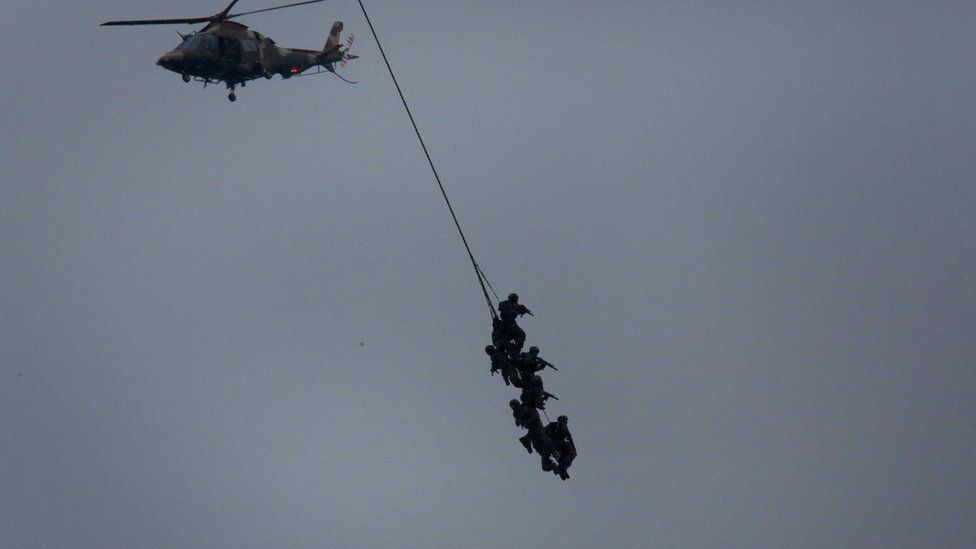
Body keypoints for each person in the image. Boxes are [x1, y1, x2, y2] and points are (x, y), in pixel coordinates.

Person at [509, 400, 556, 471]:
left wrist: (526, 422)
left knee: (544, 440)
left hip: (536, 425)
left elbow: (535, 416)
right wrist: (520, 422)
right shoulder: (515, 413)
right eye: (512, 406)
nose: (513, 407)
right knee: (536, 445)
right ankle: (546, 460)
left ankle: (546, 458)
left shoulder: (525, 408)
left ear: (517, 404)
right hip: (532, 428)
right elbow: (517, 422)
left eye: (514, 405)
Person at [544, 415, 577, 480]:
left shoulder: (553, 425)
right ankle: (562, 468)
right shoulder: (560, 425)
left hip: (555, 444)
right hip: (558, 444)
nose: (566, 422)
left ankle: (562, 469)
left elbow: (544, 431)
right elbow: (568, 436)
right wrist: (573, 446)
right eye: (565, 421)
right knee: (572, 454)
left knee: (563, 458)